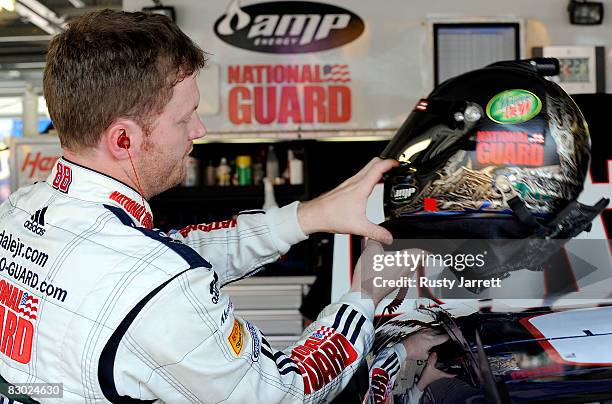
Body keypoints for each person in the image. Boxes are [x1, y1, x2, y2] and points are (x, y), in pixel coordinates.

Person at [0, 9, 448, 403]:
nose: (198, 129)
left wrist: (310, 215)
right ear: (123, 139)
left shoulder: (23, 210)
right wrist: (363, 296)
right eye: (185, 117)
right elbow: (281, 393)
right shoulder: (157, 286)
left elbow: (172, 254)